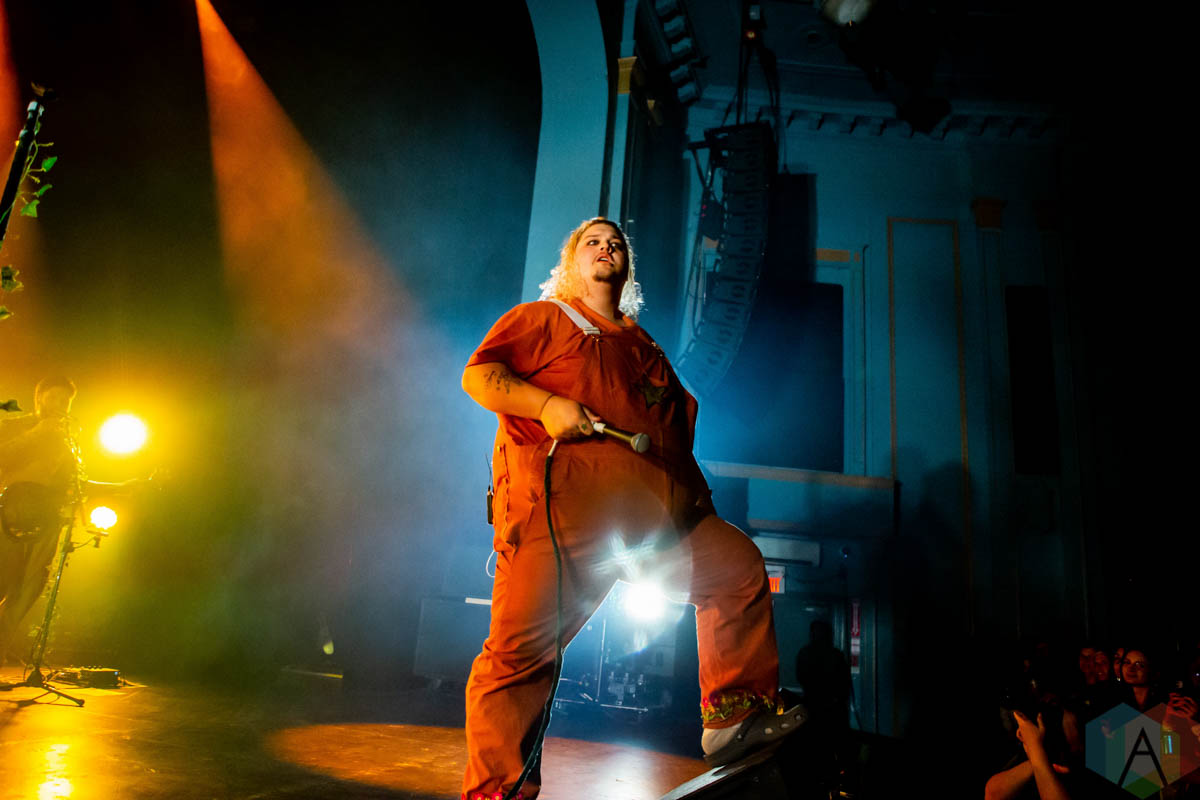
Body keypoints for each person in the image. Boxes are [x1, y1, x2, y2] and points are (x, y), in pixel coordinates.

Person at [459, 218, 801, 800]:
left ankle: (733, 719)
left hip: (649, 533)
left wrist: (696, 508)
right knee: (518, 658)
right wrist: (545, 404)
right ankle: (497, 793)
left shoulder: (646, 348)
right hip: (560, 524)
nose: (606, 246)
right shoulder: (545, 319)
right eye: (592, 241)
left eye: (615, 242)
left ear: (627, 267)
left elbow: (671, 444)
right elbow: (480, 375)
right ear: (571, 263)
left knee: (737, 567)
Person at [0, 377, 143, 666]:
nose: (59, 405)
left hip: (47, 516)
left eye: (65, 401)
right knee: (5, 578)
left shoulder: (68, 440)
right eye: (53, 398)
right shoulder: (17, 425)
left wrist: (117, 486)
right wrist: (37, 433)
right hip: (11, 510)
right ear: (39, 398)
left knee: (32, 586)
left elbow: (74, 484)